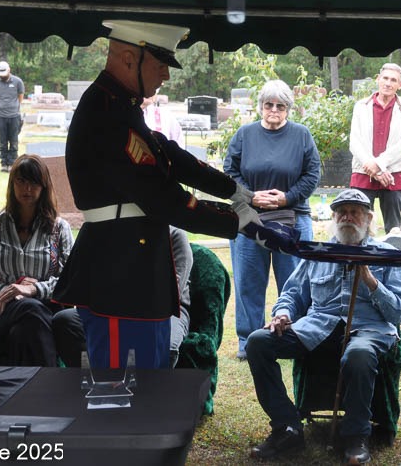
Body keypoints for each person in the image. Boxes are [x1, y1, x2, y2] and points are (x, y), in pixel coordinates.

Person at [53, 20, 259, 370]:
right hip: (118, 273)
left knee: (149, 380)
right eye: (160, 63)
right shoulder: (106, 112)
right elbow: (158, 195)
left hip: (132, 268)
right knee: (121, 384)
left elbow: (166, 154)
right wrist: (232, 220)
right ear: (129, 58)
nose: (166, 74)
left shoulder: (120, 106)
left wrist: (233, 190)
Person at [245, 188, 401, 464]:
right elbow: (292, 294)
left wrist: (370, 280)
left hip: (369, 330)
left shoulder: (388, 255)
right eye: (341, 212)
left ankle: (356, 436)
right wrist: (283, 313)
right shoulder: (318, 253)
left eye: (355, 212)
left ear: (369, 218)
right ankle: (287, 427)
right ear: (333, 218)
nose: (348, 217)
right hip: (318, 327)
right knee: (258, 342)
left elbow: (398, 311)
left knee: (359, 354)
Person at [223, 79, 321, 359]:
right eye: (269, 105)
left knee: (295, 281)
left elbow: (312, 173)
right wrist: (251, 196)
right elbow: (229, 171)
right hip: (249, 219)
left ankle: (295, 335)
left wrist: (286, 198)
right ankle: (249, 340)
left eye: (280, 106)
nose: (274, 110)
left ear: (288, 108)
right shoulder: (245, 134)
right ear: (260, 107)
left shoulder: (301, 135)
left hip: (293, 218)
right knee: (248, 281)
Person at [0, 154, 73, 366]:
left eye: (34, 183)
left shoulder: (60, 229)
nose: (27, 189)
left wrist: (34, 289)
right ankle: (50, 379)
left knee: (25, 328)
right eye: (21, 181)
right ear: (12, 184)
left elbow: (70, 282)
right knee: (32, 310)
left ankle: (23, 383)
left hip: (43, 307)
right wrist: (7, 291)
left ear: (44, 187)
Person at [52, 226, 193, 368]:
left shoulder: (174, 234)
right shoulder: (120, 231)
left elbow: (172, 291)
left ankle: (155, 382)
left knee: (167, 345)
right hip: (116, 306)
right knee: (65, 320)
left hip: (169, 311)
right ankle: (95, 374)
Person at [349, 63, 401, 233]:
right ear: (378, 79)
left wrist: (379, 165)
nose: (388, 83)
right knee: (359, 229)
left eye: (393, 80)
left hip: (392, 174)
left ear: (400, 85)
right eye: (385, 78)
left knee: (394, 230)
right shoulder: (361, 106)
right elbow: (354, 141)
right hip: (363, 172)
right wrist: (374, 169)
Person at [0, 61, 25, 172]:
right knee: (3, 141)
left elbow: (20, 97)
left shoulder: (18, 82)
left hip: (14, 116)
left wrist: (13, 107)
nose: (2, 76)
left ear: (9, 70)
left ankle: (12, 163)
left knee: (13, 141)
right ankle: (4, 163)